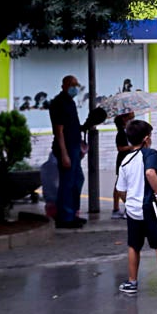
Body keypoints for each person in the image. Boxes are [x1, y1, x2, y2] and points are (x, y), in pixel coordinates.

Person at [116, 118, 157, 295]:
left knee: (134, 245)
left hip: (133, 209)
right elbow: (150, 172)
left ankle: (132, 282)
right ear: (146, 138)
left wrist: (128, 203)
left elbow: (120, 190)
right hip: (151, 207)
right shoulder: (150, 153)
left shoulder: (124, 161)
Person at [50, 75, 87, 228]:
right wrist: (64, 154)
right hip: (65, 148)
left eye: (76, 84)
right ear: (64, 85)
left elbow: (73, 126)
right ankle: (65, 217)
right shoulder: (58, 103)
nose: (75, 87)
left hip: (74, 146)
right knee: (67, 182)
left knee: (77, 180)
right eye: (72, 84)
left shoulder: (70, 103)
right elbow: (59, 131)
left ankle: (72, 213)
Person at [112, 111, 136, 219]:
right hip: (123, 160)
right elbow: (120, 148)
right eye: (130, 117)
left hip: (129, 158)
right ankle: (117, 208)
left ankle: (126, 207)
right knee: (120, 184)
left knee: (127, 184)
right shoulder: (121, 133)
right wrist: (131, 147)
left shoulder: (128, 131)